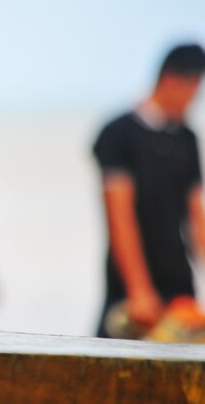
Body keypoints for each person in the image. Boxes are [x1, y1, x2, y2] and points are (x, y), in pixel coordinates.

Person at [93, 44, 205, 338]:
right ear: (171, 80)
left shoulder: (186, 138)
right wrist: (139, 290)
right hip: (128, 293)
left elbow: (197, 218)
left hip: (180, 290)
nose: (194, 98)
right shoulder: (118, 133)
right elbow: (120, 216)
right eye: (194, 88)